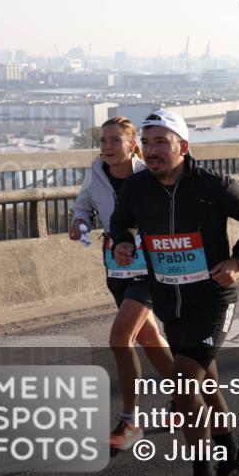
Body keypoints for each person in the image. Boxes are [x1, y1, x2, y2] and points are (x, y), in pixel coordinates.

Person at [111, 110, 239, 476]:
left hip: (212, 299)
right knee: (204, 386)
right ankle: (234, 457)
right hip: (169, 300)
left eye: (161, 142)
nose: (152, 151)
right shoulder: (136, 187)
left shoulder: (213, 185)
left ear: (183, 146)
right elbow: (120, 222)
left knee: (183, 385)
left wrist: (238, 260)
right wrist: (123, 242)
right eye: (147, 143)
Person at [68, 117, 174, 451]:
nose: (107, 147)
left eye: (115, 140)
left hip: (149, 265)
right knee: (149, 337)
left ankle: (130, 421)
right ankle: (187, 397)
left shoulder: (149, 174)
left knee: (120, 338)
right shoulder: (95, 173)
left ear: (132, 145)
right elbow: (84, 206)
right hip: (116, 266)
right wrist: (80, 223)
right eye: (103, 141)